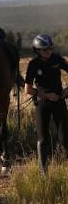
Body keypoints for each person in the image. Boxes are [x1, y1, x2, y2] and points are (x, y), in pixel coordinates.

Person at [24, 33, 68, 174]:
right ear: (37, 50)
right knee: (43, 139)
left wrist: (66, 91)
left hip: (59, 102)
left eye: (50, 48)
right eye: (45, 49)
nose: (48, 51)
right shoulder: (33, 65)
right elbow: (28, 89)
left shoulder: (57, 59)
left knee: (64, 136)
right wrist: (47, 95)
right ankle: (44, 172)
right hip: (43, 103)